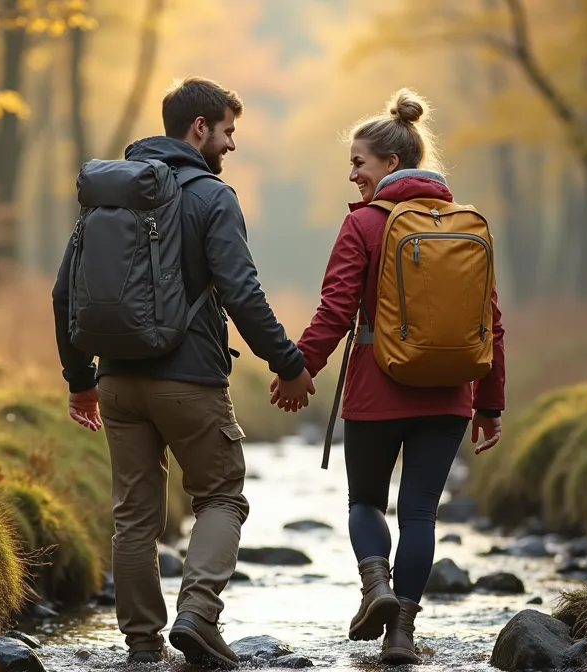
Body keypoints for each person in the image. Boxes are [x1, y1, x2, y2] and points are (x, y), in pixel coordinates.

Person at [53, 76, 315, 668]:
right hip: (190, 380)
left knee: (135, 518)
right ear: (199, 127)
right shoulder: (212, 197)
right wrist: (290, 364)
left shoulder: (106, 197)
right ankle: (197, 614)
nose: (231, 144)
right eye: (227, 131)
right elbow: (242, 294)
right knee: (221, 496)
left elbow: (63, 294)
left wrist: (81, 381)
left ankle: (142, 644)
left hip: (117, 382)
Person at [273, 88, 505, 665]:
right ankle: (401, 635)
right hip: (450, 393)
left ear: (391, 164)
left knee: (365, 503)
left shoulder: (364, 226)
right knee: (421, 513)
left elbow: (334, 310)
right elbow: (491, 325)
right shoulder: (466, 224)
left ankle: (374, 588)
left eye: (358, 162)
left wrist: (299, 370)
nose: (351, 174)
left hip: (377, 388)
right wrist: (489, 405)